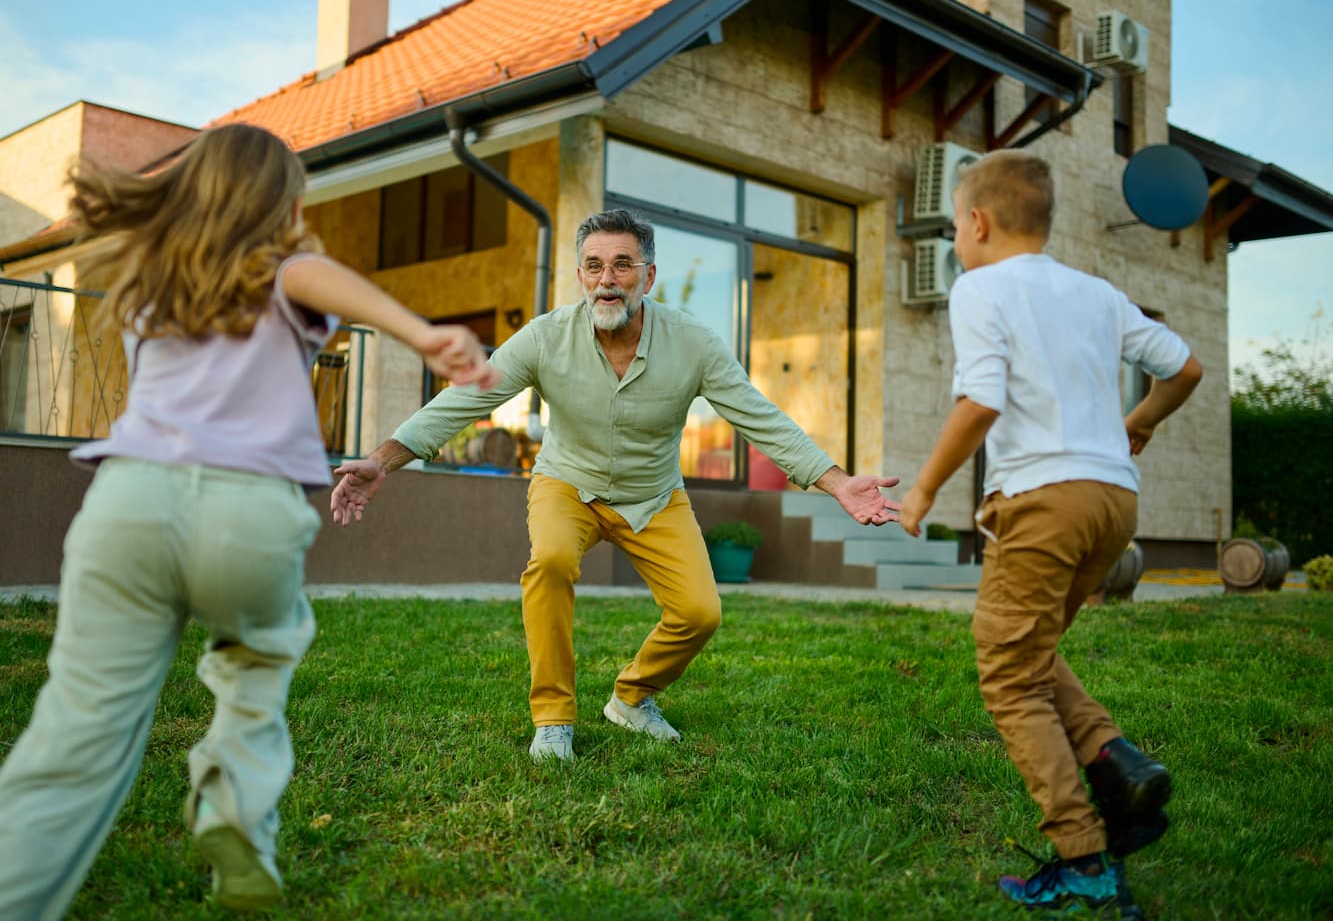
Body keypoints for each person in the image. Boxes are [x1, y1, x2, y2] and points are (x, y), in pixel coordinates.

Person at [0, 123, 500, 919]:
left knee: (76, 729)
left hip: (128, 502)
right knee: (257, 663)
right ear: (288, 203)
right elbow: (316, 276)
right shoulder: (283, 268)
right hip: (248, 511)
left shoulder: (150, 279)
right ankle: (234, 810)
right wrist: (422, 333)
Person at [330, 208, 901, 763]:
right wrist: (384, 459)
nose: (607, 279)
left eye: (623, 264)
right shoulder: (545, 338)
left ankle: (631, 698)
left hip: (655, 495)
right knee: (550, 561)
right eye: (594, 265)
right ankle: (553, 720)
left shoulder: (694, 343)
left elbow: (760, 417)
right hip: (567, 484)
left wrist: (837, 482)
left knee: (701, 613)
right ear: (579, 274)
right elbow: (466, 398)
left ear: (648, 277)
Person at [897, 150, 1202, 914]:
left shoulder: (980, 286)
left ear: (975, 222)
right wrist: (1137, 423)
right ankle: (1117, 764)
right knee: (1028, 653)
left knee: (1008, 679)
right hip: (1112, 502)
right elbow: (1186, 369)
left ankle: (1084, 860)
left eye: (955, 229)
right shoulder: (1094, 292)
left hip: (1040, 499)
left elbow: (978, 401)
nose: (957, 243)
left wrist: (925, 486)